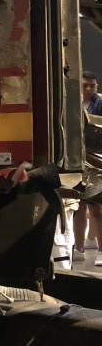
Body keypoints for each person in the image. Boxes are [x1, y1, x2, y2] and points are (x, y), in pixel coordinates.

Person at [73, 71, 102, 262]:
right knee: (78, 206)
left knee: (97, 207)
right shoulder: (72, 103)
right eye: (85, 85)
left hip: (96, 159)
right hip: (77, 159)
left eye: (93, 85)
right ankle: (78, 249)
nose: (89, 89)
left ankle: (100, 250)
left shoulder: (100, 103)